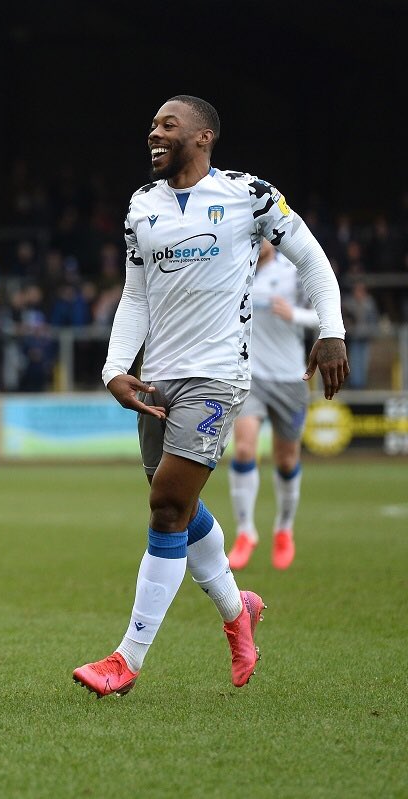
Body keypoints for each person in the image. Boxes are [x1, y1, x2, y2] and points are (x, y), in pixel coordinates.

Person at [73, 96, 348, 698]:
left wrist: (331, 330)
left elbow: (311, 257)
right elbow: (136, 296)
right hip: (157, 376)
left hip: (219, 375)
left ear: (204, 138)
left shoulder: (249, 194)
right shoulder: (141, 206)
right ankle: (237, 608)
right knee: (178, 505)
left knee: (168, 507)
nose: (154, 132)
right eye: (151, 124)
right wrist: (115, 367)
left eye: (168, 125)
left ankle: (127, 659)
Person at [227, 240, 319, 571]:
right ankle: (245, 532)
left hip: (291, 379)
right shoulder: (235, 267)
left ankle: (283, 529)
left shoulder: (294, 271)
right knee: (243, 451)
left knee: (286, 458)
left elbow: (326, 313)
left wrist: (293, 313)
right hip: (250, 377)